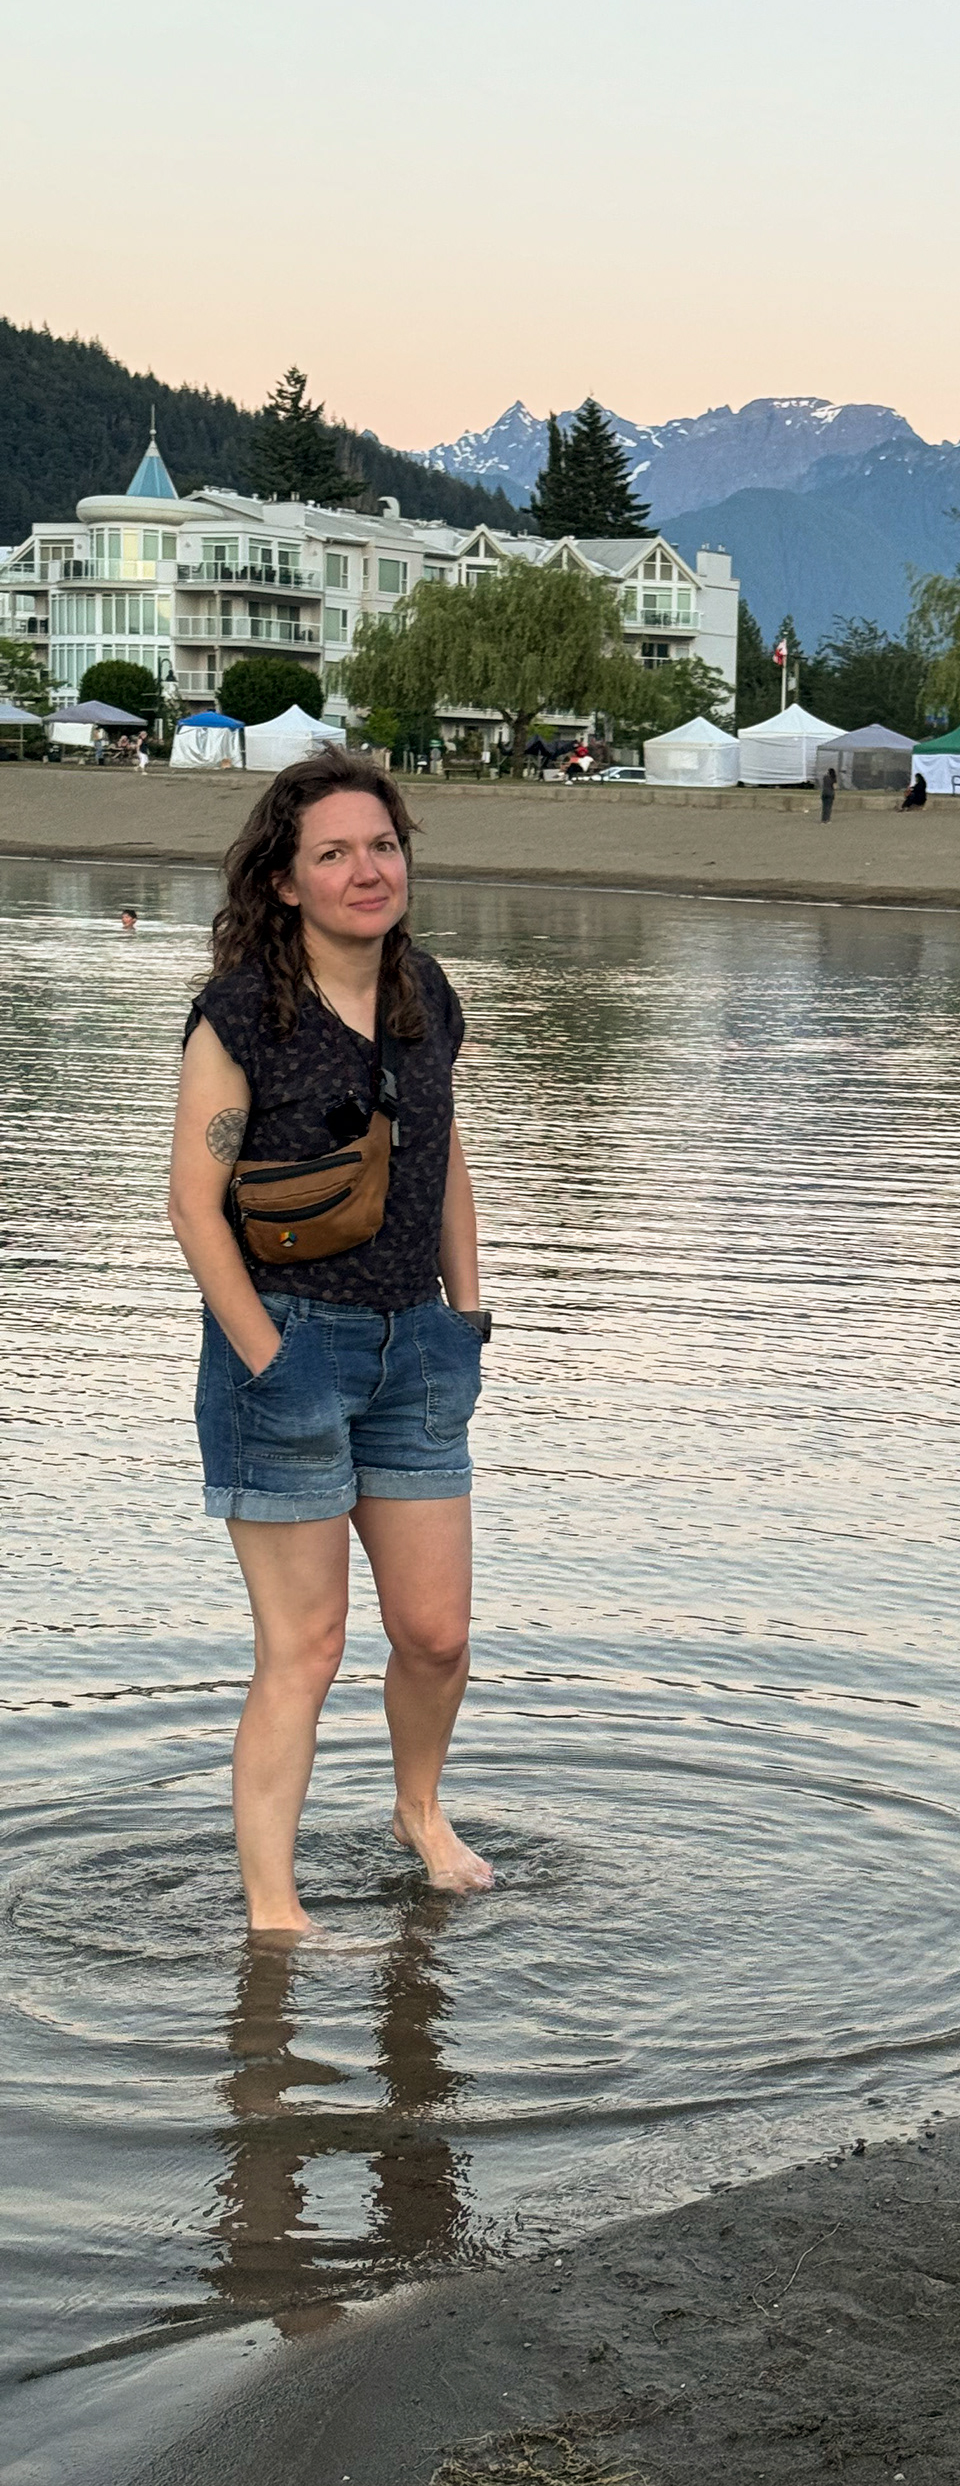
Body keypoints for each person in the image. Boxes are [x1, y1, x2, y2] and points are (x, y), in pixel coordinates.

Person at [166, 747, 491, 1940]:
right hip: (287, 1349)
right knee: (305, 1647)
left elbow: (444, 1154)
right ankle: (275, 1911)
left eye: (383, 846)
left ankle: (418, 1811)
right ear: (286, 879)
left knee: (436, 1635)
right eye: (336, 852)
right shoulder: (243, 1010)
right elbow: (192, 1205)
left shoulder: (427, 993)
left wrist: (466, 1315)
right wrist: (268, 1356)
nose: (368, 870)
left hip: (421, 1353)